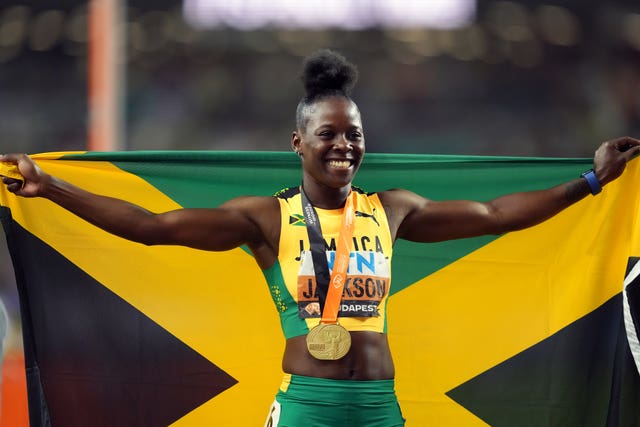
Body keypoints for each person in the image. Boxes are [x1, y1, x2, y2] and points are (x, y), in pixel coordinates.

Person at [1, 49, 639, 427]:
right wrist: (51, 188)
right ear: (298, 143)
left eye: (354, 133)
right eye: (329, 133)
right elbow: (150, 228)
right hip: (305, 404)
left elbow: (498, 213)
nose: (345, 144)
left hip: (379, 406)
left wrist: (589, 179)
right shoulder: (265, 219)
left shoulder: (393, 210)